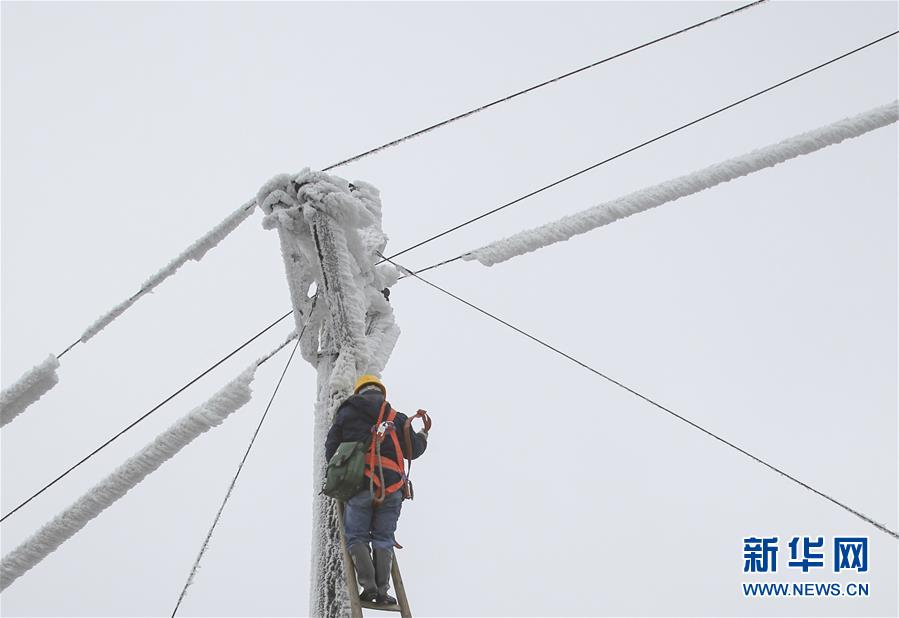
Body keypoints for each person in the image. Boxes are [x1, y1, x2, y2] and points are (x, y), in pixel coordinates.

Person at [325, 374, 428, 605]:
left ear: (358, 392)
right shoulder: (397, 418)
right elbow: (414, 451)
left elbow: (331, 449)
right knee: (384, 537)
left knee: (357, 536)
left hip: (360, 484)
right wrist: (423, 435)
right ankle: (383, 591)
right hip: (392, 489)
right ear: (381, 393)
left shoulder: (346, 414)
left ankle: (368, 587)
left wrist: (338, 475)